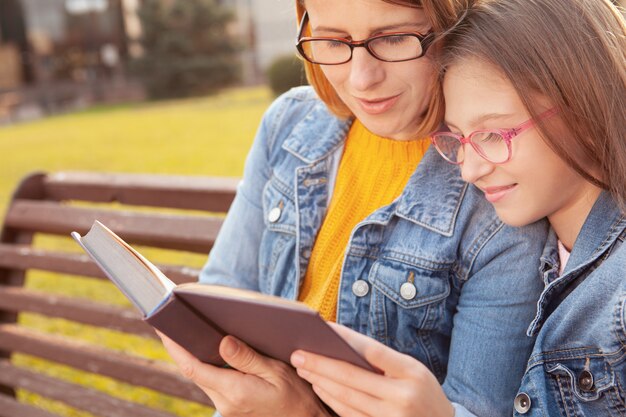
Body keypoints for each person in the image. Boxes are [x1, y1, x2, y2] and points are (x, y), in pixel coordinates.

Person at [159, 0, 550, 416]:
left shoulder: (499, 191)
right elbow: (223, 292)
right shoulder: (289, 123)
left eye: (395, 37)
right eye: (331, 40)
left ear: (453, 27)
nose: (362, 79)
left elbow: (476, 408)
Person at [290, 0, 626, 416]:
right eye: (457, 139)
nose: (468, 170)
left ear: (587, 111)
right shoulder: (549, 257)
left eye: (491, 134)